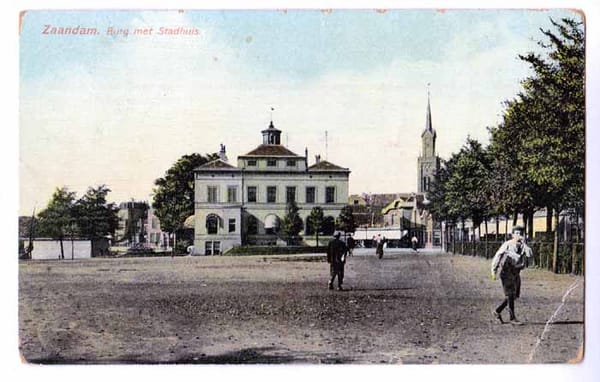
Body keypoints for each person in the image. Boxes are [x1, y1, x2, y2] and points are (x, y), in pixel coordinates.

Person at [490, 226, 533, 325]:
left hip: (516, 272)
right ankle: (512, 318)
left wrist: (524, 244)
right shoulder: (508, 244)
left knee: (513, 296)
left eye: (521, 233)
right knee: (510, 294)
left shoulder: (523, 246)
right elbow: (498, 256)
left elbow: (530, 255)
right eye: (516, 233)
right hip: (506, 271)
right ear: (512, 235)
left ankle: (497, 312)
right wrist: (493, 270)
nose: (518, 235)